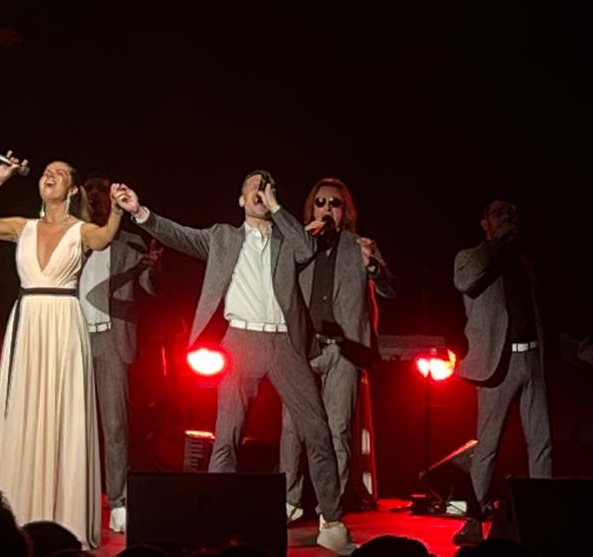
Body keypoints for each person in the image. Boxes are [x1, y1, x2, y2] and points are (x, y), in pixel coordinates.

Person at [113, 173, 356, 555]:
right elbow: (178, 235)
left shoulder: (287, 238)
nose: (260, 191)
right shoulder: (223, 236)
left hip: (284, 342)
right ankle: (216, 524)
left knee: (317, 431)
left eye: (267, 186)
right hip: (240, 340)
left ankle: (333, 520)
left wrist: (277, 208)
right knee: (227, 435)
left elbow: (306, 249)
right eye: (253, 186)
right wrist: (140, 212)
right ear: (241, 199)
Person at [0, 155, 126, 549]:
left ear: (72, 189)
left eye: (60, 173)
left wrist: (117, 209)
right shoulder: (23, 227)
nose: (50, 176)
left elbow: (104, 238)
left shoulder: (82, 231)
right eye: (46, 172)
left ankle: (62, 517)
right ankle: (16, 513)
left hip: (63, 322)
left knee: (61, 411)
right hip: (29, 320)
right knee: (24, 408)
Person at [451, 199, 593, 546]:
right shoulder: (471, 257)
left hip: (532, 360)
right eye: (498, 213)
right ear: (484, 223)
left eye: (512, 213)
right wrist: (499, 244)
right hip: (498, 364)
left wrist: (574, 348)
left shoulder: (525, 262)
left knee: (542, 441)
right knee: (487, 446)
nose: (507, 217)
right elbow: (467, 282)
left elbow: (543, 318)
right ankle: (474, 520)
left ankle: (543, 514)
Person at [281, 178, 395, 518]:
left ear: (346, 211)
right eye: (320, 202)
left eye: (335, 203)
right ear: (311, 208)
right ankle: (288, 502)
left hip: (343, 352)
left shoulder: (360, 246)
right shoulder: (298, 245)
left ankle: (330, 509)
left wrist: (373, 265)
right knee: (292, 429)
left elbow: (390, 289)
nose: (327, 208)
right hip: (303, 348)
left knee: (339, 429)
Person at [79, 173, 162, 533]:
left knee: (114, 424)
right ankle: (74, 494)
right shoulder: (73, 236)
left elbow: (151, 288)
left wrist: (154, 269)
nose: (96, 198)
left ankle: (118, 501)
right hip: (74, 336)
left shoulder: (130, 241)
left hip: (113, 339)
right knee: (73, 423)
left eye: (102, 192)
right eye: (91, 193)